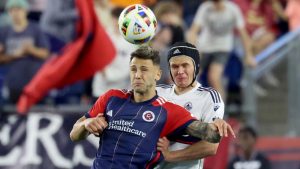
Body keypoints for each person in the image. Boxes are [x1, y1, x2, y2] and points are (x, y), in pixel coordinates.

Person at [70, 45, 234, 169]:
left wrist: (217, 126)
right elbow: (74, 134)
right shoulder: (111, 97)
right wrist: (85, 125)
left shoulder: (169, 111)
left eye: (144, 69)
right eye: (133, 69)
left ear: (157, 74)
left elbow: (210, 136)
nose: (138, 75)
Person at [155, 42, 232, 169]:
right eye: (174, 66)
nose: (180, 71)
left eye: (185, 65)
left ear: (196, 67)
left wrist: (170, 156)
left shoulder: (209, 96)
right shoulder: (157, 92)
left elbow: (211, 146)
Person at [187, 0, 256, 100]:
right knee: (191, 76)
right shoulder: (205, 8)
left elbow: (243, 34)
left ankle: (220, 110)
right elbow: (193, 31)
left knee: (214, 77)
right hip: (204, 47)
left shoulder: (232, 9)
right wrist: (193, 50)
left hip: (222, 48)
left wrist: (249, 55)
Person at [0, 0, 49, 103]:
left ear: (25, 11)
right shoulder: (4, 32)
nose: (15, 13)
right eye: (12, 10)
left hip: (34, 83)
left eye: (18, 9)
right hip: (13, 83)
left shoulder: (35, 29)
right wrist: (14, 55)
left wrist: (31, 50)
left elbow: (45, 54)